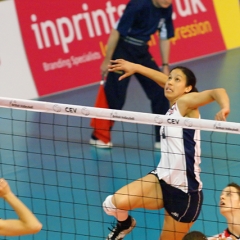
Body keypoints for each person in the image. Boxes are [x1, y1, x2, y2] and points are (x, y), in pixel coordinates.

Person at [101, 59, 230, 240]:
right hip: (161, 179)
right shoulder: (174, 106)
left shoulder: (186, 103)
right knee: (114, 204)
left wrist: (224, 107)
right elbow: (162, 80)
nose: (169, 82)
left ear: (188, 88)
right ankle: (125, 224)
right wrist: (137, 67)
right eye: (170, 78)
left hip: (185, 194)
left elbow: (218, 91)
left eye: (177, 80)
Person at [90, 0, 174, 149]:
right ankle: (98, 136)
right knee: (116, 96)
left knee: (161, 91)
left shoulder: (166, 7)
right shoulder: (138, 5)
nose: (169, 1)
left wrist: (165, 65)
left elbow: (165, 36)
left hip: (141, 52)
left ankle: (161, 138)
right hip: (123, 50)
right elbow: (116, 31)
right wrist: (107, 60)